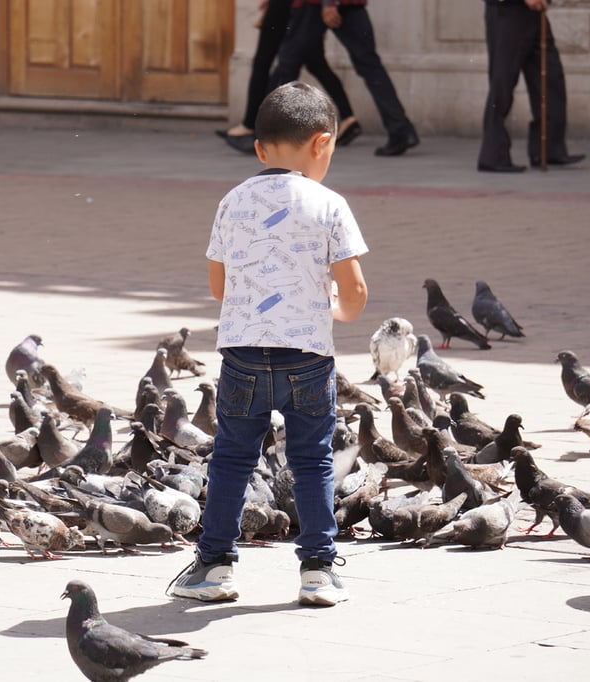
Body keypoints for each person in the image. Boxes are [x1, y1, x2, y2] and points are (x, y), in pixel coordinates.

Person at [168, 81, 368, 607]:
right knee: (312, 460)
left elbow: (218, 287)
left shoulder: (232, 201)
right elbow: (355, 292)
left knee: (232, 459)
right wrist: (333, 310)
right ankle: (319, 572)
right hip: (308, 360)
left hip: (242, 358)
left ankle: (214, 567)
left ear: (258, 148)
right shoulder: (329, 204)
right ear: (323, 143)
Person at [272, 0, 419, 157]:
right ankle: (400, 129)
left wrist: (329, 4)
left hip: (317, 5)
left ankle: (270, 133)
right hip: (347, 4)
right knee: (369, 65)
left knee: (288, 64)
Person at [222, 0, 361, 154]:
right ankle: (348, 116)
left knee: (284, 65)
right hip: (301, 7)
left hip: (302, 6)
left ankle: (266, 132)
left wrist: (328, 5)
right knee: (313, 63)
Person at [477, 0, 584, 173]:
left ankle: (548, 148)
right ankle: (493, 155)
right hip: (507, 11)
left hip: (534, 12)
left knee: (551, 77)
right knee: (502, 84)